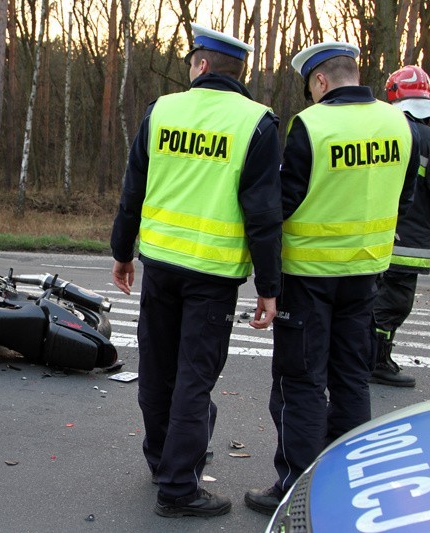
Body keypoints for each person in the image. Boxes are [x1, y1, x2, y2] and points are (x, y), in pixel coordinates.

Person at [110, 24, 282, 518]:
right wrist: (269, 288)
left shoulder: (161, 110)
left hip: (160, 264)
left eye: (191, 63)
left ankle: (163, 460)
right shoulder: (257, 123)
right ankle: (179, 489)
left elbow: (133, 189)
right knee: (193, 380)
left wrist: (123, 251)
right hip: (213, 274)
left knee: (158, 370)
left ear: (201, 65)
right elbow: (264, 216)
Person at [244, 42, 420, 515]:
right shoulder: (398, 123)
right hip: (366, 274)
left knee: (300, 382)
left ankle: (297, 491)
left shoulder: (312, 125)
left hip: (308, 276)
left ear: (319, 81)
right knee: (351, 379)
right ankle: (349, 483)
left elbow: (283, 203)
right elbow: (403, 196)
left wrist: (266, 267)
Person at [370, 65, 430, 388]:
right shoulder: (424, 135)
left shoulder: (385, 129)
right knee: (395, 300)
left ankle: (372, 355)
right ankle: (375, 359)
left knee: (380, 295)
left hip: (378, 231)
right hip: (409, 238)